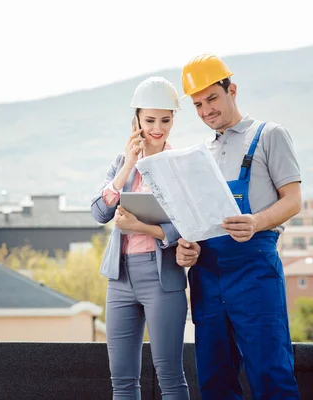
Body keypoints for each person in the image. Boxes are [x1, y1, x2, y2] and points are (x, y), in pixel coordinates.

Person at [176, 54, 302, 400]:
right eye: (198, 105)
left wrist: (256, 222)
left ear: (232, 89)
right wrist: (189, 246)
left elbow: (293, 200)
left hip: (254, 270)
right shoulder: (200, 154)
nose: (206, 111)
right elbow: (197, 219)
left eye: (212, 99)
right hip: (206, 274)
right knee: (215, 377)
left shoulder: (269, 135)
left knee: (270, 372)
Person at [91, 76, 190, 400]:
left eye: (165, 120)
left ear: (174, 119)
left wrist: (142, 228)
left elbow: (190, 226)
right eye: (149, 120)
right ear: (136, 121)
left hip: (162, 279)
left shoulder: (180, 166)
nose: (157, 128)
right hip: (120, 278)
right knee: (121, 379)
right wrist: (128, 165)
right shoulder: (122, 163)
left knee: (170, 377)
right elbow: (99, 213)